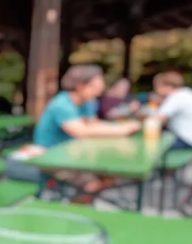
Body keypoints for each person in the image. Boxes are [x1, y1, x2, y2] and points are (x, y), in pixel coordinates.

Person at [32, 65, 140, 195]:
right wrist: (122, 130)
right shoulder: (62, 104)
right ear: (80, 86)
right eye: (95, 87)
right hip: (51, 157)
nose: (99, 92)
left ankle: (82, 202)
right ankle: (76, 207)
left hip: (74, 154)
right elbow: (81, 131)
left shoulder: (85, 103)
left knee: (112, 173)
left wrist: (121, 127)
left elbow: (94, 124)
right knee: (91, 183)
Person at [150, 71, 192, 150]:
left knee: (151, 145)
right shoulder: (185, 93)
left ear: (167, 86)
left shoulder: (177, 96)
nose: (156, 90)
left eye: (157, 86)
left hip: (191, 141)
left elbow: (156, 120)